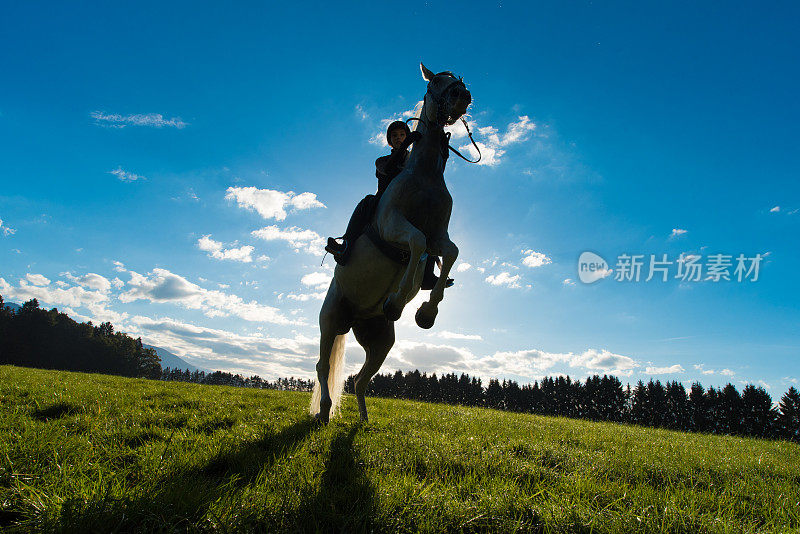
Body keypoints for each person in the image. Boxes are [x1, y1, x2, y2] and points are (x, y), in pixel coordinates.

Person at [326, 121, 453, 289]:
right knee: (367, 201)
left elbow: (432, 174)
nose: (399, 138)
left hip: (411, 205)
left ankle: (427, 276)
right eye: (395, 136)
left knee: (428, 220)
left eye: (402, 135)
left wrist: (443, 152)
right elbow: (388, 170)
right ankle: (345, 247)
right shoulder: (382, 160)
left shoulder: (415, 162)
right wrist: (407, 145)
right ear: (390, 141)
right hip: (385, 202)